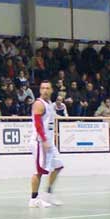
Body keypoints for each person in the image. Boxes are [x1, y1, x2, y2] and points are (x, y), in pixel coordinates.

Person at [30, 80, 65, 208]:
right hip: (40, 141)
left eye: (47, 88)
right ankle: (33, 199)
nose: (45, 90)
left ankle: (48, 194)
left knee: (59, 165)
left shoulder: (50, 103)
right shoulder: (39, 104)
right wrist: (44, 139)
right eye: (42, 88)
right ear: (40, 90)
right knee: (39, 171)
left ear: (51, 90)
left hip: (49, 141)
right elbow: (38, 124)